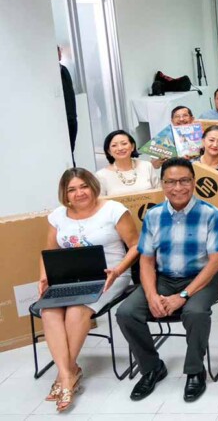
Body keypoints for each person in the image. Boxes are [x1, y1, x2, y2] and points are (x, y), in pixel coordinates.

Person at [116, 158, 218, 403]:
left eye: (184, 181)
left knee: (195, 313)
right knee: (126, 313)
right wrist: (151, 296)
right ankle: (152, 367)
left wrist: (183, 297)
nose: (178, 188)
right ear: (162, 184)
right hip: (164, 278)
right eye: (171, 182)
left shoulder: (210, 214)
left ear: (194, 182)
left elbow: (215, 263)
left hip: (202, 279)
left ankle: (194, 370)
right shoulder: (154, 216)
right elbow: (146, 261)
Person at [39, 168, 139, 411]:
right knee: (48, 310)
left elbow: (136, 245)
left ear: (93, 185)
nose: (79, 193)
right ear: (64, 193)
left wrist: (117, 270)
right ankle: (68, 373)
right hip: (70, 279)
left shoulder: (114, 210)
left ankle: (64, 377)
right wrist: (43, 278)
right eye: (71, 189)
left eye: (83, 186)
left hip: (110, 276)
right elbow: (48, 253)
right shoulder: (57, 216)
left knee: (76, 310)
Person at [96, 130, 161, 196]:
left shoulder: (146, 166)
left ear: (132, 146)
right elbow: (101, 202)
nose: (120, 148)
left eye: (124, 144)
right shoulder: (101, 175)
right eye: (114, 145)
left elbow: (160, 193)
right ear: (109, 151)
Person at [58, 46, 78, 163]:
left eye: (59, 50)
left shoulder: (64, 69)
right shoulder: (52, 72)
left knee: (71, 149)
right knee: (67, 151)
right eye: (57, 51)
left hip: (71, 117)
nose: (60, 53)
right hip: (62, 119)